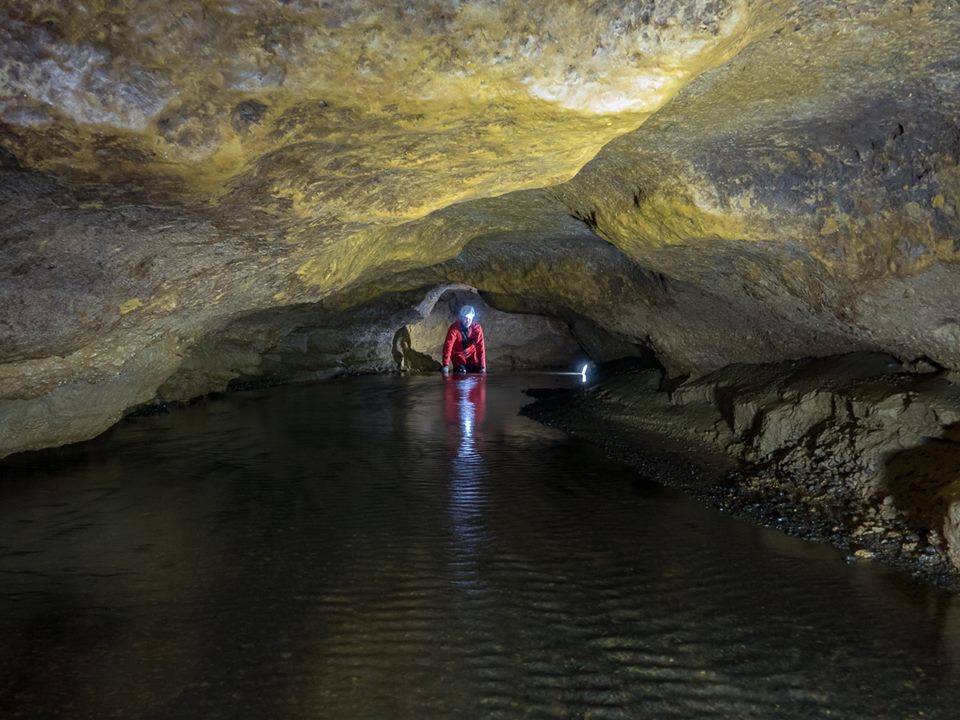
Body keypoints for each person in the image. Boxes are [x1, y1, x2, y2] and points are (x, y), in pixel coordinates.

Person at [441, 305, 486, 374]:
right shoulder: (454, 328)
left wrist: (483, 366)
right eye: (465, 318)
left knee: (478, 371)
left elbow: (480, 347)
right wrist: (445, 365)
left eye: (470, 319)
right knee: (461, 372)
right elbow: (448, 346)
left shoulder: (477, 328)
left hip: (471, 356)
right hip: (458, 356)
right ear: (461, 318)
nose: (467, 321)